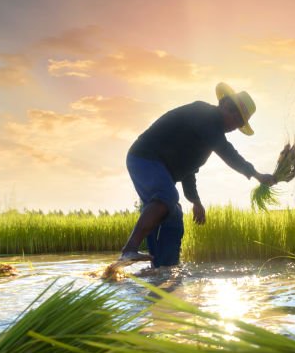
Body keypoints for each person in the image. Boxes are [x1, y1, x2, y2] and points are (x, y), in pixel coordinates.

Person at [117, 82, 276, 267]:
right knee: (167, 197)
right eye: (233, 112)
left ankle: (162, 270)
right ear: (223, 103)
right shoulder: (203, 114)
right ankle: (129, 249)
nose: (235, 122)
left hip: (159, 170)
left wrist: (195, 201)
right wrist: (256, 174)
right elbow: (226, 151)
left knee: (173, 216)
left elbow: (189, 170)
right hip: (144, 157)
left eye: (240, 121)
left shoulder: (207, 139)